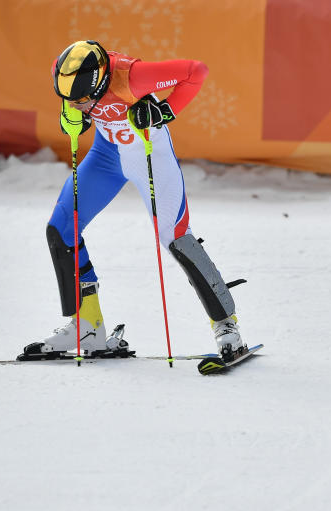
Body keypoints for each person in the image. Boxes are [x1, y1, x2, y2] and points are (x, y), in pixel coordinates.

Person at [22, 40, 246, 361]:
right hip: (106, 156)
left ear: (100, 82)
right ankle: (87, 326)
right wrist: (72, 116)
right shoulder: (71, 76)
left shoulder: (133, 77)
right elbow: (72, 100)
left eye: (84, 100)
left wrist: (164, 110)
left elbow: (196, 72)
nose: (78, 105)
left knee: (175, 238)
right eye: (70, 99)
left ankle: (227, 326)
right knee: (61, 229)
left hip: (148, 155)